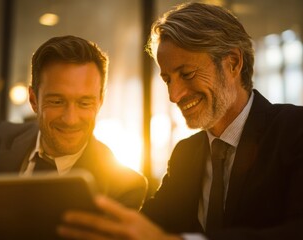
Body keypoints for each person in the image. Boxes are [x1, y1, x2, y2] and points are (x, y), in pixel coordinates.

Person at [56, 2, 303, 240]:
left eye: (187, 74)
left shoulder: (294, 131)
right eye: (168, 80)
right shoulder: (186, 154)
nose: (174, 95)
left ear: (233, 63)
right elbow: (147, 227)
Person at [0, 35, 147, 238]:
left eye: (85, 103)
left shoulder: (125, 186)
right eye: (57, 101)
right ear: (33, 100)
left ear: (100, 101)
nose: (70, 119)